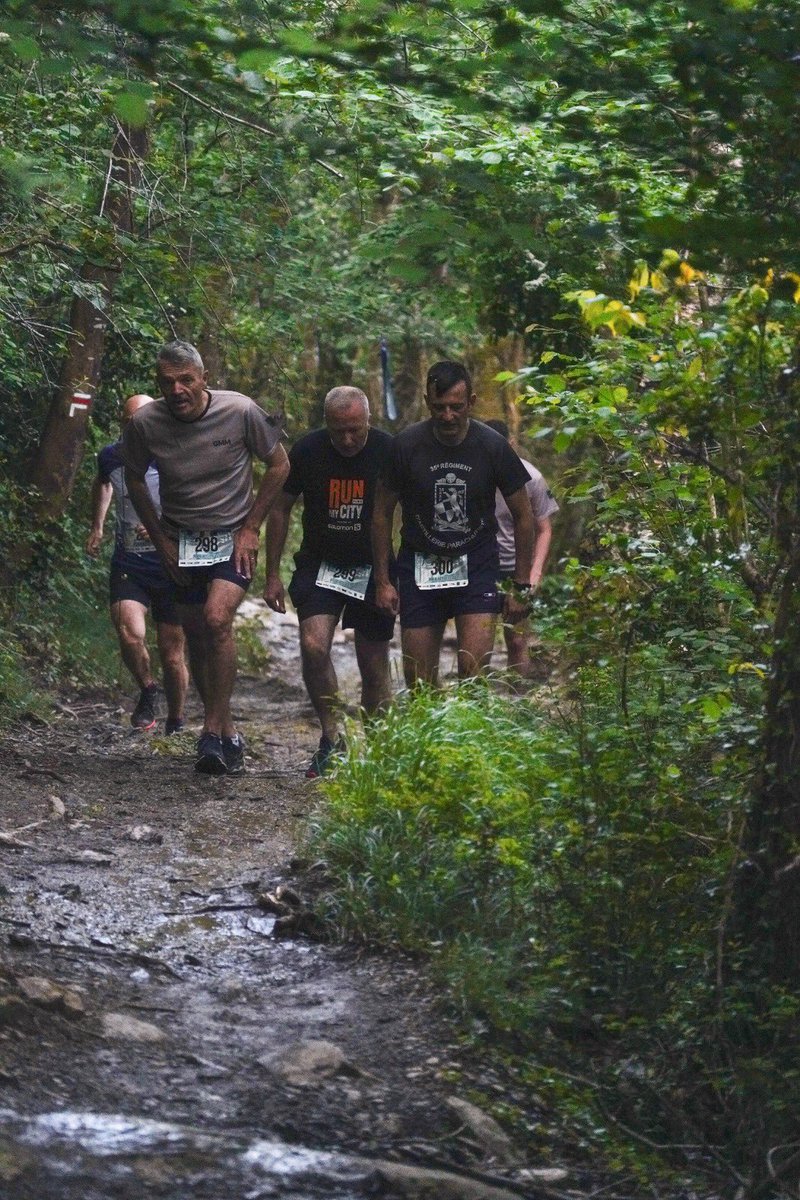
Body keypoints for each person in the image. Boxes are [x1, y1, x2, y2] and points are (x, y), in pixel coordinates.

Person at [122, 340, 290, 776]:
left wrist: (252, 528)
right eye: (167, 382)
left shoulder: (240, 411)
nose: (177, 390)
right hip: (181, 540)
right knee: (196, 636)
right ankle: (227, 734)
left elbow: (279, 465)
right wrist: (160, 541)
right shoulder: (145, 423)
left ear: (203, 378)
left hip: (231, 538)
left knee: (217, 620)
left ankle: (211, 730)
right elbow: (135, 479)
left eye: (186, 380)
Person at [372, 360, 535, 686]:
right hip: (420, 565)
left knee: (472, 672)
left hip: (476, 565)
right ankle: (429, 738)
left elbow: (525, 515)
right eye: (439, 407)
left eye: (456, 407)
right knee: (418, 680)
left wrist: (520, 584)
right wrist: (383, 580)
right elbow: (380, 513)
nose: (448, 416)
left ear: (471, 402)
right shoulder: (405, 445)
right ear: (427, 402)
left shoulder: (492, 446)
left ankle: (472, 736)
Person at [264, 387, 395, 778]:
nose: (348, 440)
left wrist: (394, 577)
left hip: (373, 568)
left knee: (373, 667)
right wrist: (271, 574)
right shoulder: (307, 451)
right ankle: (331, 737)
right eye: (339, 431)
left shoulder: (389, 451)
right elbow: (280, 508)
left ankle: (379, 750)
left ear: (368, 421)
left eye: (355, 430)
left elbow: (411, 507)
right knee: (312, 645)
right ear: (327, 424)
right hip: (320, 565)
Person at [86, 394, 189, 732]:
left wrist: (165, 523)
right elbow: (103, 484)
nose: (136, 427)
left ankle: (175, 720)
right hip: (129, 559)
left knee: (172, 653)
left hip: (171, 563)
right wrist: (97, 526)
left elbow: (198, 500)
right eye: (130, 421)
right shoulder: (112, 456)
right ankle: (147, 690)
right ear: (122, 422)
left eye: (142, 419)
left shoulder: (175, 453)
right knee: (130, 633)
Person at [484, 419, 559, 677]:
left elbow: (544, 529)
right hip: (481, 567)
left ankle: (518, 701)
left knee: (516, 641)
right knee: (478, 645)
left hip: (518, 568)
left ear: (511, 444)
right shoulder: (474, 475)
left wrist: (533, 573)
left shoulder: (531, 477)